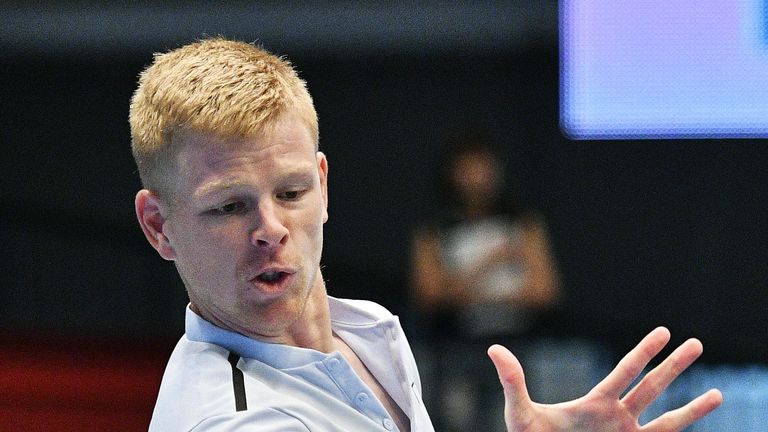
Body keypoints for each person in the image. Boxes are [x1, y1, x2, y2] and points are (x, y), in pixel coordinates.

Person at [130, 37, 722, 432]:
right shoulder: (237, 421)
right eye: (230, 207)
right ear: (160, 227)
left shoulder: (369, 330)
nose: (271, 230)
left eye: (290, 193)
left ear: (323, 184)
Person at [409, 131, 562, 431]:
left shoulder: (523, 224)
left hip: (516, 345)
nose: (476, 178)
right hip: (455, 351)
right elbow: (429, 294)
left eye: (483, 167)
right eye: (467, 168)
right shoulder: (435, 231)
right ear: (451, 174)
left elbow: (545, 290)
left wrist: (465, 291)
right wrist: (490, 262)